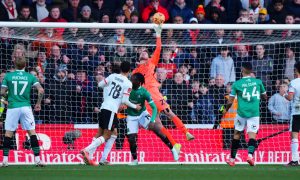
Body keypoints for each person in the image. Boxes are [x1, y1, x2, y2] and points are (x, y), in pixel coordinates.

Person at [132, 24, 194, 141]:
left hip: (156, 95)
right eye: (142, 52)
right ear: (139, 56)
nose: (144, 53)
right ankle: (174, 144)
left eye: (146, 52)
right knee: (157, 124)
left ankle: (186, 132)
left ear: (149, 56)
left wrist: (158, 34)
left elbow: (158, 48)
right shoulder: (135, 71)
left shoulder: (151, 63)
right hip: (145, 99)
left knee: (169, 112)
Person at [80, 61, 141, 166]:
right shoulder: (128, 83)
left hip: (104, 107)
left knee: (111, 133)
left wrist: (108, 90)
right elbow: (125, 101)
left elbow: (100, 85)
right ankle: (87, 150)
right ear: (129, 71)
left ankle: (102, 159)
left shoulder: (112, 76)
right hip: (112, 109)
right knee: (107, 135)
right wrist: (136, 106)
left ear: (120, 68)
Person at [125, 73, 181, 165]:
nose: (131, 80)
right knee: (131, 138)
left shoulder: (144, 92)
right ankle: (135, 160)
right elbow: (123, 100)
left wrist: (152, 121)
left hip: (143, 114)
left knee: (157, 130)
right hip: (131, 117)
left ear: (138, 82)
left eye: (133, 79)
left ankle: (172, 149)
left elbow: (154, 108)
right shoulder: (127, 89)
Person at [0, 57, 45, 167]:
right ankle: (38, 160)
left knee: (8, 133)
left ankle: (5, 161)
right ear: (25, 65)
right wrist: (38, 103)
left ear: (14, 64)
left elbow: (2, 92)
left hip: (13, 106)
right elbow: (41, 90)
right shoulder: (30, 76)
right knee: (31, 132)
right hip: (26, 107)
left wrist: (8, 95)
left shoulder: (8, 76)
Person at [225, 62, 267, 166]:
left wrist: (225, 110)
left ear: (242, 70)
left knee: (237, 134)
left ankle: (232, 160)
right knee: (252, 135)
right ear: (251, 70)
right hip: (254, 113)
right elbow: (265, 97)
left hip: (241, 113)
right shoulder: (258, 82)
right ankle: (250, 156)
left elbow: (230, 101)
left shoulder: (237, 84)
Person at [284, 62, 300, 166]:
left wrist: (285, 94)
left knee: (294, 135)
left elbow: (289, 97)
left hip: (297, 112)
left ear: (295, 70)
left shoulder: (294, 82)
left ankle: (295, 160)